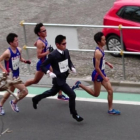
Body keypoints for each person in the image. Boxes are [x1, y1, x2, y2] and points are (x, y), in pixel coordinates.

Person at [32, 35, 83, 122]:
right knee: (72, 95)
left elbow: (69, 61)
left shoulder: (66, 51)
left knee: (52, 92)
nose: (65, 45)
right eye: (63, 44)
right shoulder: (53, 55)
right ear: (57, 44)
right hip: (58, 79)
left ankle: (36, 98)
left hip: (64, 76)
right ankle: (74, 114)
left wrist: (72, 67)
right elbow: (43, 65)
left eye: (65, 43)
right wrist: (49, 72)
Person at [72, 32, 120, 115]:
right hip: (98, 74)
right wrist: (104, 78)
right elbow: (97, 68)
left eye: (105, 39)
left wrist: (107, 63)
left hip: (102, 73)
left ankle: (110, 109)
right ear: (98, 42)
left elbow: (102, 60)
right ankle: (79, 84)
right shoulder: (98, 52)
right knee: (96, 94)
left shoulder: (102, 49)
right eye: (103, 40)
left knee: (110, 90)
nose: (105, 41)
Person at [24, 23, 68, 101]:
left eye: (45, 30)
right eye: (43, 31)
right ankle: (22, 87)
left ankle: (60, 94)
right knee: (35, 81)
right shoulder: (40, 42)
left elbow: (37, 44)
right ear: (39, 33)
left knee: (58, 75)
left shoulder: (43, 39)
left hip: (48, 63)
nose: (45, 31)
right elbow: (38, 56)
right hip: (42, 64)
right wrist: (47, 52)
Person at [0, 33, 30, 115]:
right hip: (11, 77)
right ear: (10, 43)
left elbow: (20, 58)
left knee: (9, 91)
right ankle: (13, 102)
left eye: (17, 40)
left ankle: (0, 105)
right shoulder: (7, 53)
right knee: (25, 91)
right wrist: (4, 70)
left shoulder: (19, 50)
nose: (17, 42)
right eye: (16, 41)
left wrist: (25, 61)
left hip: (17, 75)